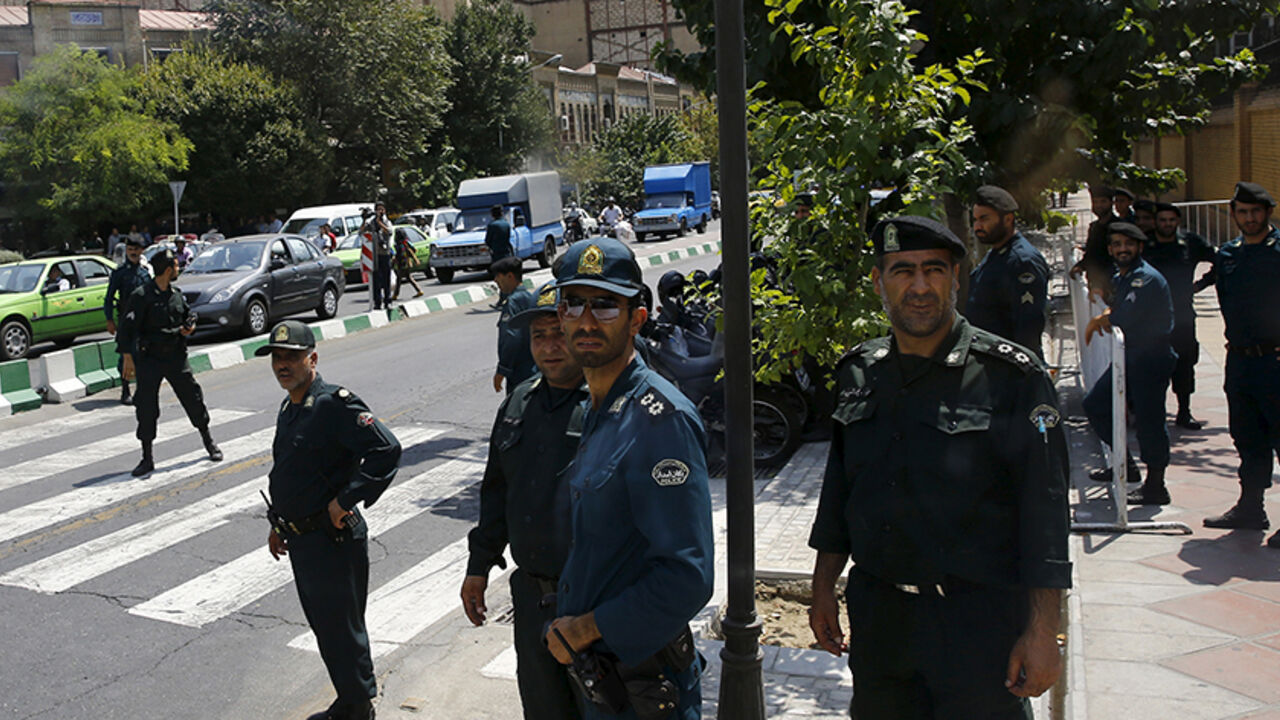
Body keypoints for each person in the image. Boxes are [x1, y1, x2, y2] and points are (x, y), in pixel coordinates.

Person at [807, 216, 1071, 719]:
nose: (920, 286)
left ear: (955, 277)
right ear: (878, 282)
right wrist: (823, 587)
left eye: (934, 270)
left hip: (979, 623)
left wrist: (1042, 630)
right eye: (903, 271)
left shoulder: (1012, 377)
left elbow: (1046, 512)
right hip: (882, 621)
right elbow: (840, 491)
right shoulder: (859, 372)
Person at [543, 238, 714, 720]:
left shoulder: (661, 420)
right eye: (572, 303)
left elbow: (688, 575)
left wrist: (582, 630)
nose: (586, 320)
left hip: (644, 685)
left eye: (605, 305)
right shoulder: (600, 405)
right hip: (603, 678)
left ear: (638, 319)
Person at [257, 320, 402, 720]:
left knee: (342, 629)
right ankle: (348, 699)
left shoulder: (334, 404)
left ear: (313, 359)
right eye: (277, 358)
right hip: (304, 539)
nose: (282, 365)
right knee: (327, 627)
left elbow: (386, 450)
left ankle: (358, 708)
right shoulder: (291, 405)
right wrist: (278, 523)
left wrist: (347, 499)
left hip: (332, 539)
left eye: (291, 356)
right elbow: (292, 472)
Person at [463, 282, 588, 720]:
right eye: (538, 336)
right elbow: (496, 489)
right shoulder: (519, 401)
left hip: (593, 602)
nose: (549, 347)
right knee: (543, 708)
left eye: (558, 333)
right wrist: (479, 565)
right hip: (533, 596)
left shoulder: (608, 402)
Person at [1202, 182, 1280, 549]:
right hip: (1241, 362)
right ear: (1234, 215)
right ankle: (1251, 508)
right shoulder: (1228, 254)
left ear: (1267, 213)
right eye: (1243, 213)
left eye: (1256, 212)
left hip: (1275, 361)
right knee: (1247, 437)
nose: (1250, 219)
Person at [1082, 222, 1176, 505]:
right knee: (1096, 404)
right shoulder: (1124, 276)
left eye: (1129, 244)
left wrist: (1102, 319)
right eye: (1117, 245)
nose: (1123, 249)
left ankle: (1156, 487)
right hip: (1131, 356)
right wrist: (1107, 306)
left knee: (1149, 421)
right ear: (1110, 249)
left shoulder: (1144, 278)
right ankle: (1125, 465)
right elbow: (1120, 306)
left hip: (1151, 358)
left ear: (1140, 247)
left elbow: (1127, 316)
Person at [118, 250, 222, 476]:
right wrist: (127, 357)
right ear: (167, 270)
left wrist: (189, 326)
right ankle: (147, 458)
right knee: (146, 407)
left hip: (176, 356)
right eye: (176, 266)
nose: (178, 269)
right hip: (150, 359)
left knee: (193, 398)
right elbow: (127, 328)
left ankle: (209, 442)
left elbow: (187, 315)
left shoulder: (176, 294)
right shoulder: (141, 295)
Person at [1145, 202, 1216, 429]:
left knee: (1184, 365)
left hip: (1183, 316)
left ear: (1178, 222)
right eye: (1162, 220)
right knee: (1152, 366)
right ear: (1156, 222)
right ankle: (1150, 413)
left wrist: (1202, 284)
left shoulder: (1190, 243)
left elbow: (1221, 260)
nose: (1167, 224)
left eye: (1171, 220)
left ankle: (1184, 412)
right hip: (1150, 318)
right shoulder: (1144, 243)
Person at [966, 185, 1051, 359]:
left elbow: (1028, 328)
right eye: (975, 220)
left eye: (984, 219)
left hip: (1009, 367)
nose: (978, 226)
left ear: (1008, 219)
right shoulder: (996, 253)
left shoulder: (1022, 261)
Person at [105, 237, 152, 405]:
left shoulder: (145, 273)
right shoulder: (120, 273)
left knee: (143, 356)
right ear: (126, 251)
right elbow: (109, 297)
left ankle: (142, 390)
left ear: (141, 251)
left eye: (136, 249)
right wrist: (109, 319)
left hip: (143, 322)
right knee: (125, 356)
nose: (133, 252)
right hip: (126, 321)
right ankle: (125, 390)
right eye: (130, 249)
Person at [492, 256, 537, 394]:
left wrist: (502, 370)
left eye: (498, 276)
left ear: (510, 276)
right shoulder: (531, 298)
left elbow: (511, 338)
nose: (495, 281)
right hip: (534, 368)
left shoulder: (512, 302)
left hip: (519, 371)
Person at [1072, 185, 1118, 300]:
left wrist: (1102, 283)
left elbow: (1115, 260)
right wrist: (1080, 266)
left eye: (1103, 201)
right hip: (1094, 284)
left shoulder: (1119, 228)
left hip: (1112, 286)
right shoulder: (1094, 227)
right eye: (1095, 202)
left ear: (1111, 203)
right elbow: (1091, 254)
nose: (1099, 206)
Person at [365, 203, 395, 310]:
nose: (380, 212)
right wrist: (364, 219)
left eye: (382, 209)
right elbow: (362, 232)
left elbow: (390, 231)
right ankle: (377, 302)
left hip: (385, 253)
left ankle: (388, 301)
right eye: (378, 210)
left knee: (386, 279)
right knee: (376, 279)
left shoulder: (387, 222)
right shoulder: (371, 223)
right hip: (374, 255)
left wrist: (380, 223)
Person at [392, 228, 424, 299]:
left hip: (402, 264)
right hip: (407, 262)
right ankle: (419, 290)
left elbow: (399, 255)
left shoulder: (399, 245)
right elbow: (413, 250)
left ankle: (395, 295)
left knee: (399, 279)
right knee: (408, 277)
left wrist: (394, 261)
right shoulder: (407, 242)